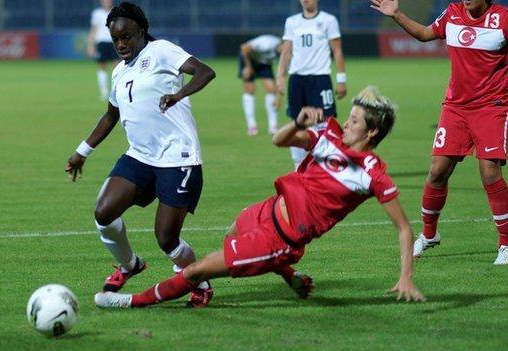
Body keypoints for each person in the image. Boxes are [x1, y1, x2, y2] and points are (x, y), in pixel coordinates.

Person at [93, 86, 426, 309]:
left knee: (196, 270)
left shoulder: (371, 172)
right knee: (229, 235)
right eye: (350, 117)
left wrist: (406, 276)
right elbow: (279, 141)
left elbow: (404, 229)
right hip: (266, 210)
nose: (348, 122)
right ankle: (289, 276)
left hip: (280, 239)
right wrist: (296, 122)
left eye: (355, 121)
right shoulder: (330, 137)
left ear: (371, 132)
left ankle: (129, 301)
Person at [65, 2, 216, 307]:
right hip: (141, 157)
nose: (121, 44)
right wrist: (82, 151)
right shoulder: (120, 71)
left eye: (127, 37)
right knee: (104, 213)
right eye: (116, 38)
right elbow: (110, 116)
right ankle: (130, 264)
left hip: (178, 157)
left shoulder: (161, 51)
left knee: (167, 239)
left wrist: (180, 94)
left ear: (141, 32)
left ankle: (199, 280)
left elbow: (205, 71)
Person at [371, 0, 508, 264]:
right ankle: (429, 235)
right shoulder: (452, 12)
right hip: (455, 107)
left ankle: (506, 246)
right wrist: (396, 15)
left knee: (489, 171)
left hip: (492, 107)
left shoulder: (504, 18)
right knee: (437, 171)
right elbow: (424, 34)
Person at [276, 0, 347, 169]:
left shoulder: (328, 20)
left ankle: (327, 165)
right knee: (298, 122)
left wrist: (341, 79)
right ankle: (299, 166)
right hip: (297, 79)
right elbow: (286, 51)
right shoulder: (292, 22)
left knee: (326, 122)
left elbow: (337, 51)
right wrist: (280, 76)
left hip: (320, 78)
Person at [239, 34, 283, 136]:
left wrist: (279, 97)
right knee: (250, 89)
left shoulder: (285, 53)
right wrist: (248, 67)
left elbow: (282, 75)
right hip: (248, 59)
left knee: (271, 89)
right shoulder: (267, 43)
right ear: (282, 43)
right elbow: (244, 48)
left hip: (263, 62)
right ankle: (252, 126)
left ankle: (273, 126)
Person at [87, 0, 119, 100]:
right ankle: (104, 92)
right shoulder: (97, 13)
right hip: (101, 43)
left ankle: (116, 92)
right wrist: (90, 45)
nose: (106, 2)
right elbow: (93, 30)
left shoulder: (116, 12)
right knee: (102, 67)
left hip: (114, 42)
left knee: (117, 68)